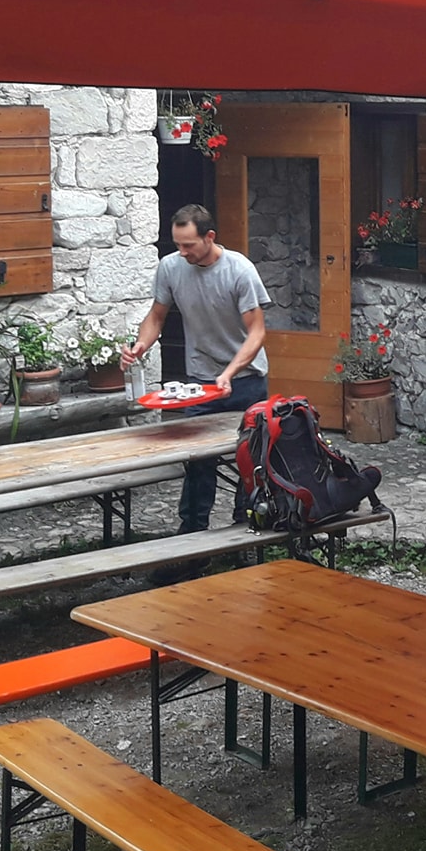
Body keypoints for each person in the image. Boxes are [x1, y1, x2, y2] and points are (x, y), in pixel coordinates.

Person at [122, 204, 271, 581]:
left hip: (246, 380)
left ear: (210, 237)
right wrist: (140, 345)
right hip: (200, 383)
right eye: (177, 244)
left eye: (189, 245)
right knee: (197, 464)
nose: (182, 252)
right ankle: (192, 546)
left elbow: (257, 332)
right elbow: (157, 316)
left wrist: (230, 373)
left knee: (249, 462)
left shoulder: (239, 270)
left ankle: (244, 535)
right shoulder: (171, 267)